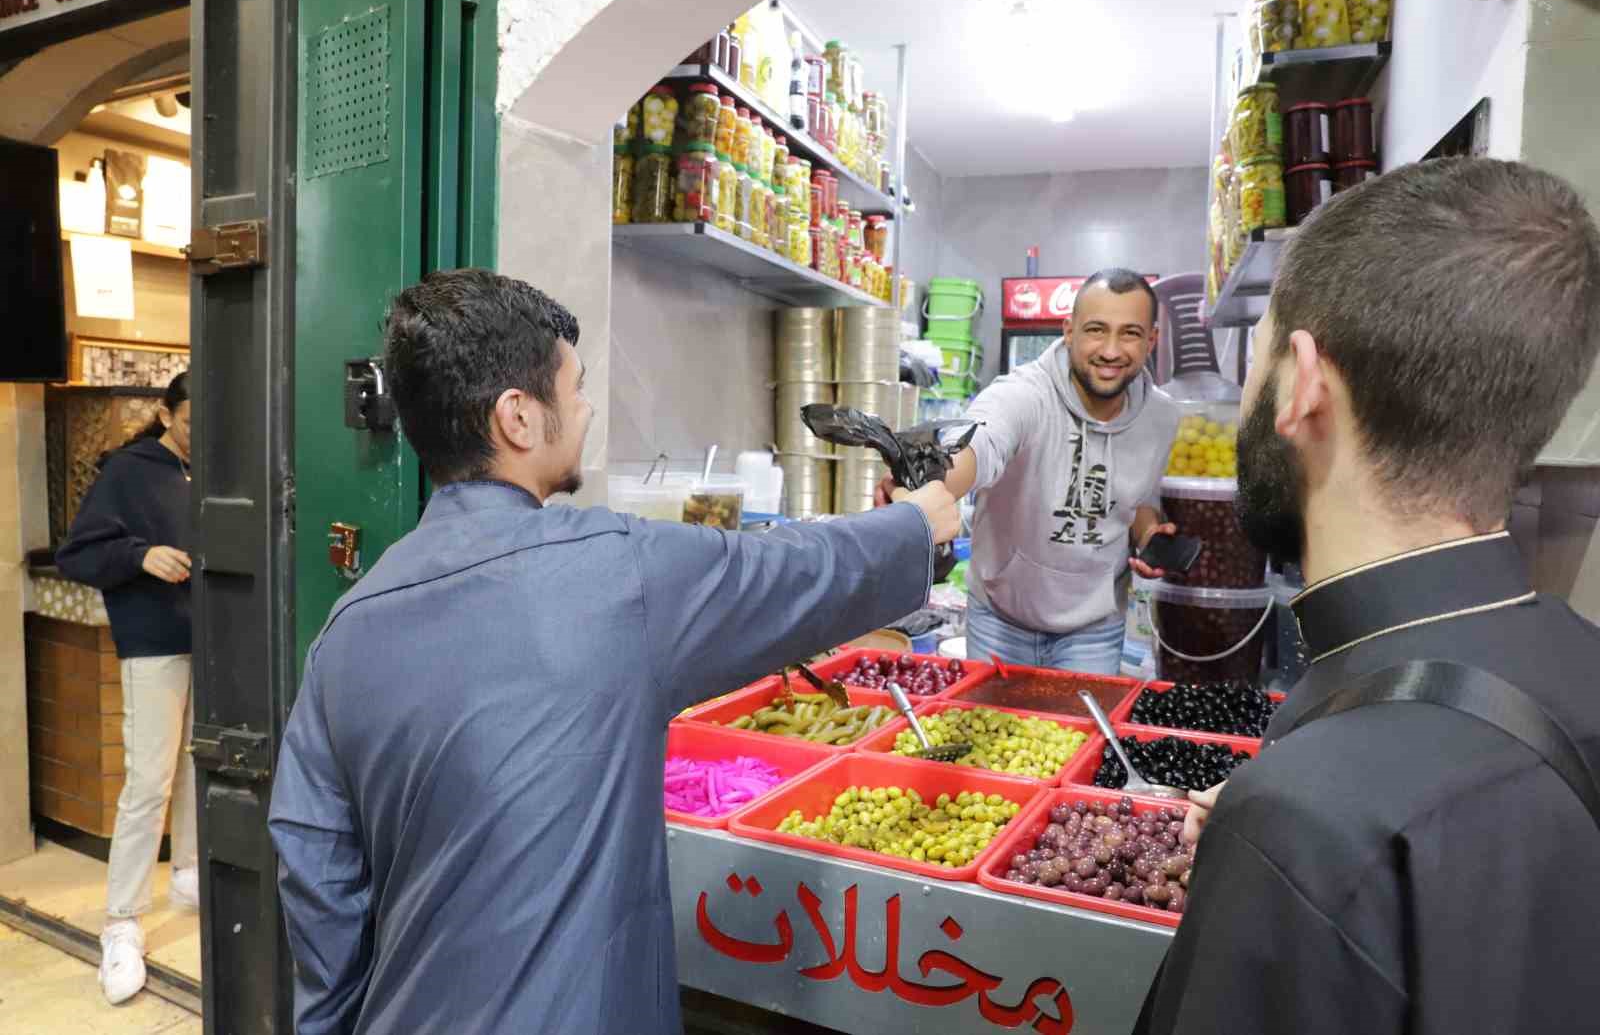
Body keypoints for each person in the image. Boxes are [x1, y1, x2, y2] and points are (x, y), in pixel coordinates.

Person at [266, 269, 959, 1035]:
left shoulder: (347, 628)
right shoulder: (615, 572)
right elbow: (798, 571)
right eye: (577, 387)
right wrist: (923, 520)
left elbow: (319, 882)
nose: (589, 408)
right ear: (519, 418)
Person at [1135, 158, 1600, 1035]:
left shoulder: (1307, 823)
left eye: (1259, 357)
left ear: (1304, 383)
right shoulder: (1583, 661)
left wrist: (1274, 853)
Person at [881, 268, 1181, 673]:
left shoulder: (1162, 417)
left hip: (1093, 628)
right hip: (1001, 620)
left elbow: (1139, 499)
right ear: (1069, 331)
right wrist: (929, 485)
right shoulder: (1024, 395)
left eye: (1129, 333)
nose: (1111, 350)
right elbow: (978, 445)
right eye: (1096, 330)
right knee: (995, 734)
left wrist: (1149, 534)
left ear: (1151, 340)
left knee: (1083, 737)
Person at [55, 372, 197, 1006]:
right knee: (148, 782)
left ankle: (192, 875)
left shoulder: (218, 467)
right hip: (154, 642)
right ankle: (121, 922)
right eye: (194, 421)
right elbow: (78, 553)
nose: (203, 435)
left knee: (203, 767)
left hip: (217, 642)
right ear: (167, 415)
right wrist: (140, 555)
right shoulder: (129, 470)